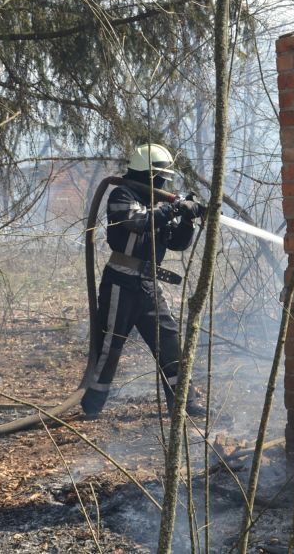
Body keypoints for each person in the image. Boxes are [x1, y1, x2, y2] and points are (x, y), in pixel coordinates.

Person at [82, 143, 206, 419]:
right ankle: (92, 404)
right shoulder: (120, 194)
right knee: (110, 346)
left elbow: (175, 243)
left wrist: (186, 219)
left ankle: (183, 401)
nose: (163, 183)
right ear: (150, 175)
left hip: (150, 286)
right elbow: (137, 221)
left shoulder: (159, 204)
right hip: (120, 284)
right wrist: (174, 209)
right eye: (160, 177)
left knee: (170, 341)